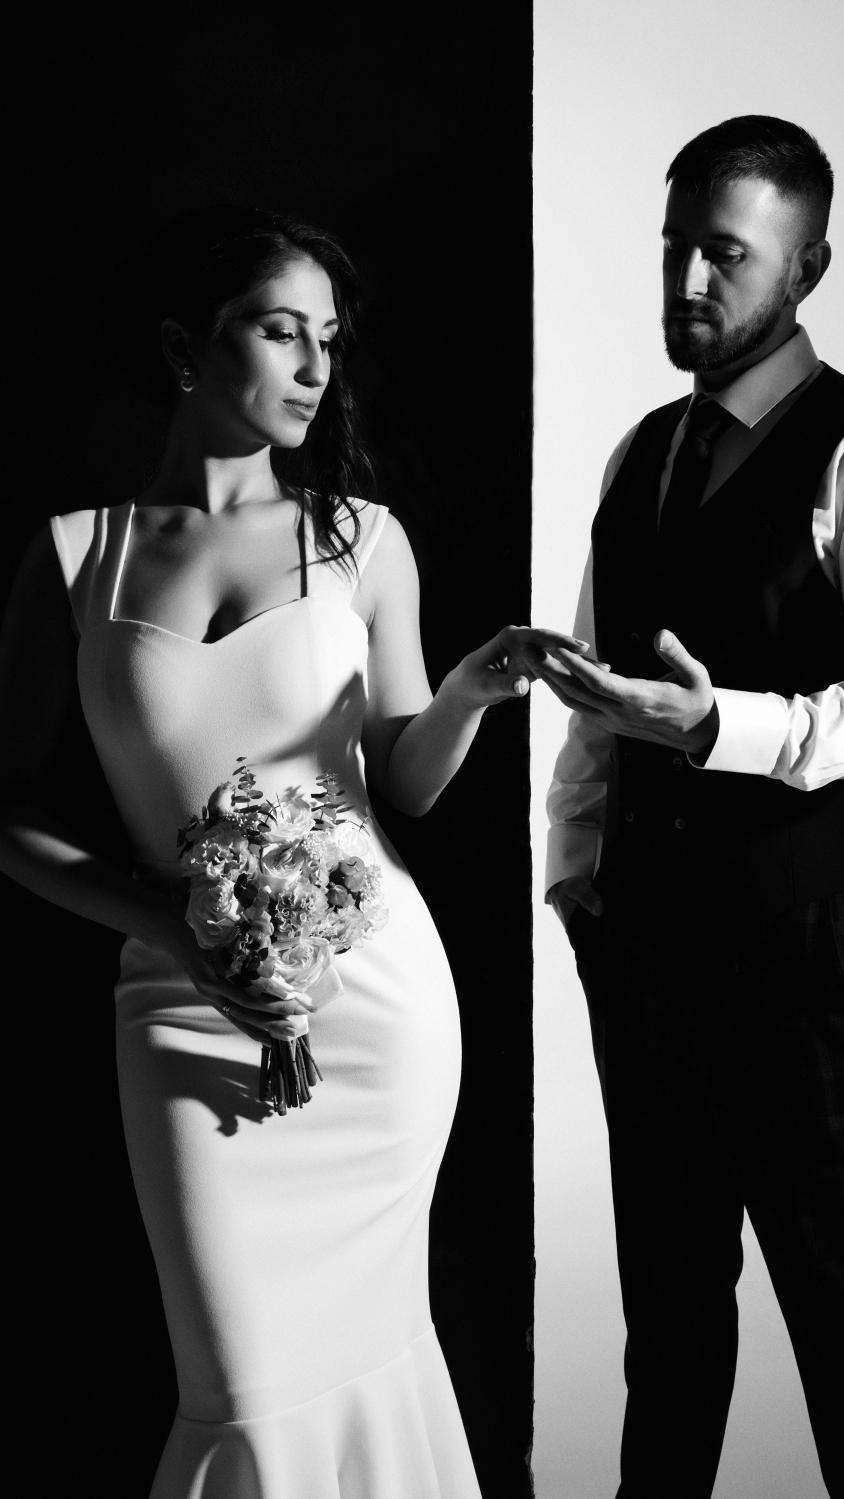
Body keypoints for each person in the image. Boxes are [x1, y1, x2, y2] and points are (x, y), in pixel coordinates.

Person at [0, 205, 579, 1499]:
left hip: (376, 1005)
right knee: (242, 1381)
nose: (318, 367)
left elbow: (403, 785)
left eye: (331, 338)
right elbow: (14, 818)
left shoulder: (361, 539)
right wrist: (171, 926)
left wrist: (470, 693)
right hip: (179, 1007)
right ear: (185, 348)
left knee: (373, 1345)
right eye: (280, 332)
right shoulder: (76, 555)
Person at [540, 117, 844, 1498]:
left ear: (807, 266)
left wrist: (723, 725)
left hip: (803, 947)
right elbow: (599, 688)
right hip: (644, 944)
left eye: (726, 254)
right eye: (677, 247)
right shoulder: (641, 453)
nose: (689, 282)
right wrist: (574, 872)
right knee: (665, 1319)